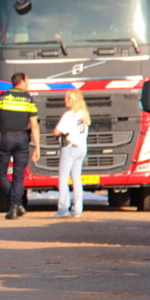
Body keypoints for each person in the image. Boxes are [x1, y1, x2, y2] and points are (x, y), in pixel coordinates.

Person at [0, 72, 41, 220]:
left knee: (0, 171)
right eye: (27, 81)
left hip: (5, 138)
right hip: (22, 138)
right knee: (19, 174)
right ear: (21, 82)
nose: (28, 84)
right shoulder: (29, 99)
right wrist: (37, 147)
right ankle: (16, 204)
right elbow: (34, 126)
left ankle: (15, 205)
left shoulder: (2, 97)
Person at [53, 89, 90, 218]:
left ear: (73, 100)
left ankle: (63, 208)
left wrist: (55, 132)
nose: (65, 100)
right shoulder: (84, 114)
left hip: (70, 147)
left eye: (67, 98)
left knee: (63, 179)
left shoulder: (69, 115)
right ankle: (77, 209)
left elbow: (57, 131)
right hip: (81, 148)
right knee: (76, 179)